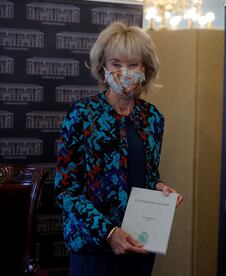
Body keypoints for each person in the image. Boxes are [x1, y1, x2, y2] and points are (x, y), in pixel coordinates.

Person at [54, 21, 183, 276]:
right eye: (116, 64)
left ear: (145, 69)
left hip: (139, 242)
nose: (124, 71)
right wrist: (109, 233)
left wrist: (159, 187)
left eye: (133, 64)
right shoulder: (82, 114)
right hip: (94, 247)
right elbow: (66, 190)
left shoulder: (152, 117)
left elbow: (148, 174)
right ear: (104, 67)